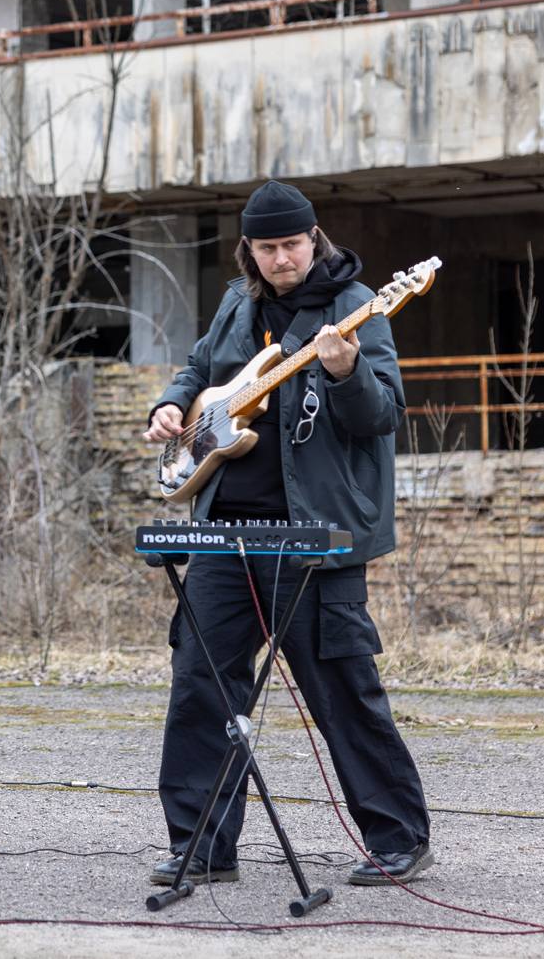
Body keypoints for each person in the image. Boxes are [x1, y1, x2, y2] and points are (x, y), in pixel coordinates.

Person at [142, 179, 432, 887]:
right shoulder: (239, 303)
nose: (282, 259)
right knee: (200, 688)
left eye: (292, 245)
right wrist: (173, 405)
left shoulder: (357, 308)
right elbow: (199, 369)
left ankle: (399, 837)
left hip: (312, 537)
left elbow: (381, 416)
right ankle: (202, 847)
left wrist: (345, 370)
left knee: (341, 687)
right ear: (250, 250)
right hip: (225, 533)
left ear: (314, 239)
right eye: (268, 248)